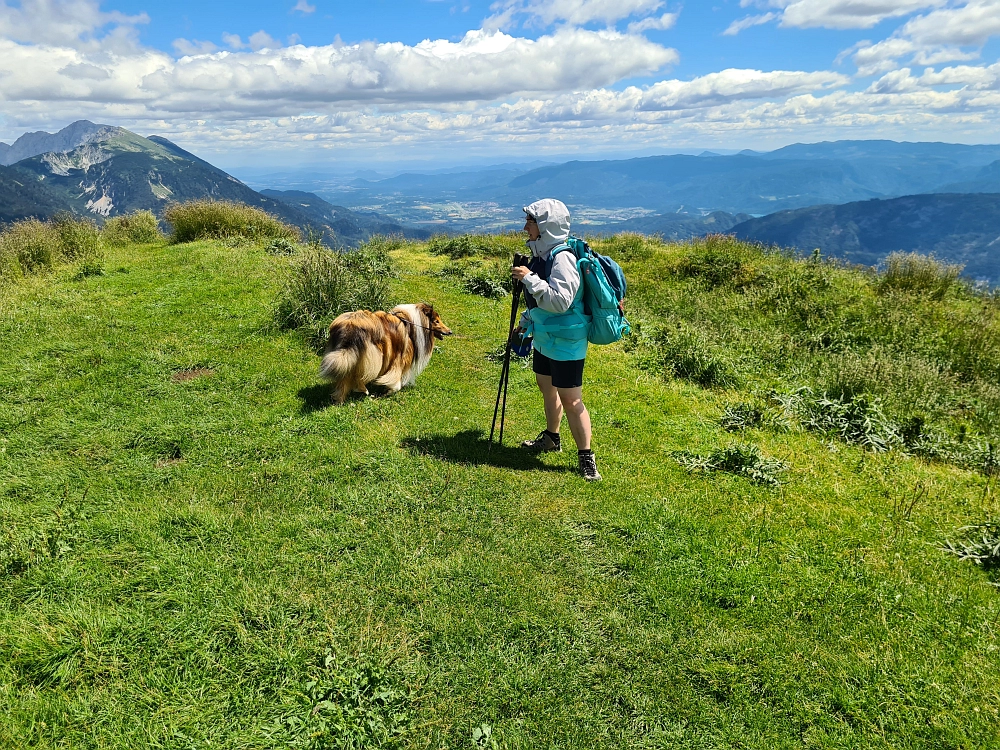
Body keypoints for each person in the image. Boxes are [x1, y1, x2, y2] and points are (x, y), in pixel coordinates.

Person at [512, 199, 601, 482]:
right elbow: (542, 302)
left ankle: (586, 458)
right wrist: (526, 321)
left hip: (567, 339)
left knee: (571, 400)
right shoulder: (543, 253)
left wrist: (529, 279)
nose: (526, 227)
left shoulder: (562, 258)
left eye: (531, 222)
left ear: (546, 226)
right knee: (546, 386)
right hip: (545, 335)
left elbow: (560, 301)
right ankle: (552, 437)